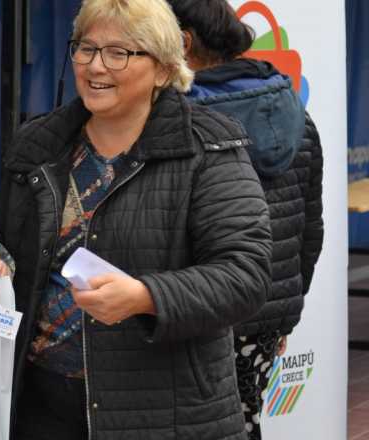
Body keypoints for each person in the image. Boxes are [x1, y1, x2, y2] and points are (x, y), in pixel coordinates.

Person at [0, 0, 272, 437]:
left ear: (165, 69)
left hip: (162, 412)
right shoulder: (38, 143)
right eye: (85, 48)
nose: (96, 66)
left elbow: (246, 274)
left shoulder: (209, 150)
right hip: (40, 405)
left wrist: (146, 296)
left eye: (120, 53)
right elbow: (1, 240)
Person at [167, 1, 325, 437]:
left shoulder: (184, 122)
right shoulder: (295, 112)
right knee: (243, 422)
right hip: (265, 313)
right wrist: (283, 317)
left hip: (199, 311)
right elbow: (311, 229)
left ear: (184, 42)